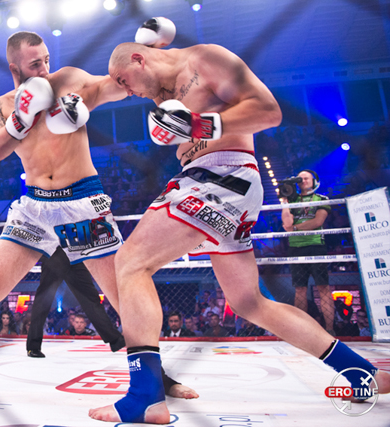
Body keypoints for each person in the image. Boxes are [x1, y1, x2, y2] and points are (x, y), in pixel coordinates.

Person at [89, 39, 389, 423]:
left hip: (220, 176)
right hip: (217, 183)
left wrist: (201, 124)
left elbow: (269, 111)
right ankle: (360, 371)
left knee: (130, 263)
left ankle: (145, 396)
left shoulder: (205, 58)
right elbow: (104, 87)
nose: (127, 91)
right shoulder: (159, 91)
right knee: (249, 303)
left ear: (138, 59)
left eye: (124, 80)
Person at [0, 31, 197, 404]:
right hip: (35, 208)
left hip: (82, 202)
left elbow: (116, 86)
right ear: (14, 67)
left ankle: (157, 377)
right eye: (36, 63)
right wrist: (20, 120)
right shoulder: (0, 106)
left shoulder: (68, 81)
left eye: (47, 59)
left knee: (121, 294)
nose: (45, 68)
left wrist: (148, 58)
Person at [27, 247, 125, 358]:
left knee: (90, 298)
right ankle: (33, 346)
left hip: (75, 252)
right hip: (55, 252)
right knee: (44, 299)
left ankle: (115, 340)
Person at [281, 170, 335, 335]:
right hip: (296, 247)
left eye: (306, 178)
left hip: (316, 245)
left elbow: (318, 221)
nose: (303, 181)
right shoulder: (292, 200)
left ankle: (330, 329)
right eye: (300, 179)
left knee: (323, 287)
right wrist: (284, 201)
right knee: (300, 289)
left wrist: (295, 228)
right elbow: (286, 224)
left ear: (314, 181)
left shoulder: (322, 199)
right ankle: (302, 330)